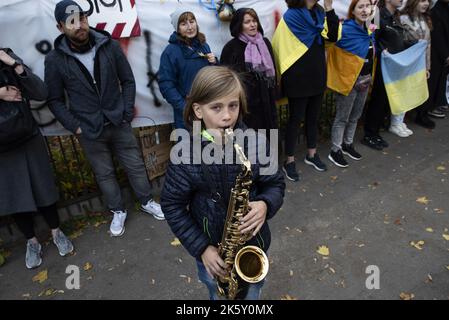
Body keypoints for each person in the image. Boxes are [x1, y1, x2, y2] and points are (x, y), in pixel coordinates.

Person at [161, 66, 285, 300]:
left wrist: (266, 204)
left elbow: (276, 184)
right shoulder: (185, 154)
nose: (227, 116)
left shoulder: (256, 143)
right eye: (216, 107)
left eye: (233, 105)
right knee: (218, 295)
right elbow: (172, 205)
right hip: (213, 255)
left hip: (253, 247)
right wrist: (202, 248)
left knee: (253, 292)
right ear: (198, 110)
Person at [45, 0, 164, 238]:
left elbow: (128, 80)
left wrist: (126, 111)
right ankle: (117, 210)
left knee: (135, 165)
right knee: (105, 173)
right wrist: (75, 126)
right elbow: (55, 100)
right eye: (71, 22)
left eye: (81, 18)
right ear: (60, 27)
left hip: (118, 121)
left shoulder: (108, 45)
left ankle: (146, 200)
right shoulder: (55, 60)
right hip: (89, 129)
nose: (78, 25)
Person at [0, 48, 74, 269]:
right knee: (14, 196)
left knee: (43, 188)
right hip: (2, 148)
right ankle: (31, 242)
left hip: (28, 135)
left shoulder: (7, 57)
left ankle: (56, 232)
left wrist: (14, 64)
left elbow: (40, 92)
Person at [272, 0, 340, 182]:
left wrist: (329, 8)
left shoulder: (320, 13)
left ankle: (312, 154)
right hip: (297, 76)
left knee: (313, 117)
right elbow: (279, 45)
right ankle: (289, 161)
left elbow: (332, 36)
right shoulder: (291, 16)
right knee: (296, 119)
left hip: (317, 73)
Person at [362, 0, 416, 150]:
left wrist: (414, 44)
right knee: (378, 100)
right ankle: (370, 134)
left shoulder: (396, 17)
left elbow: (397, 41)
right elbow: (370, 38)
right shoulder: (376, 15)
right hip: (381, 67)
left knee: (385, 100)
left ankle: (376, 131)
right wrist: (381, 53)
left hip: (393, 68)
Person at [327, 0, 375, 168]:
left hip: (365, 79)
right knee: (342, 117)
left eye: (367, 6)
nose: (364, 10)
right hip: (348, 81)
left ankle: (347, 144)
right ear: (352, 11)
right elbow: (331, 47)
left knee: (355, 116)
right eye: (360, 7)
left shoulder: (369, 30)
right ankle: (335, 150)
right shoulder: (344, 29)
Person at [220, 8, 278, 131]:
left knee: (270, 139)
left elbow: (273, 73)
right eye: (247, 22)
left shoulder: (264, 43)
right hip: (245, 105)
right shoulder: (231, 48)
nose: (252, 24)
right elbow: (225, 80)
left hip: (266, 102)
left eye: (254, 20)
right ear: (239, 25)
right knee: (251, 142)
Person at [159, 8, 217, 129]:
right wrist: (185, 108)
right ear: (177, 28)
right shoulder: (170, 52)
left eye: (192, 21)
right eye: (184, 23)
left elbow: (214, 77)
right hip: (187, 115)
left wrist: (215, 64)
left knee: (212, 145)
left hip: (209, 109)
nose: (190, 27)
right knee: (191, 147)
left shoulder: (204, 46)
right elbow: (166, 84)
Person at [389, 0, 432, 135]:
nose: (426, 4)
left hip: (419, 62)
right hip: (406, 60)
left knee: (409, 91)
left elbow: (428, 45)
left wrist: (427, 66)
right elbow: (401, 40)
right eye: (422, 1)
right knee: (401, 91)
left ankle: (400, 121)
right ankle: (394, 122)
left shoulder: (425, 19)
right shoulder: (403, 19)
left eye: (427, 1)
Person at [423, 0, 449, 121]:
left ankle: (437, 103)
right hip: (434, 52)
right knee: (433, 79)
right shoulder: (375, 12)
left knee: (441, 78)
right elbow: (436, 36)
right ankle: (428, 108)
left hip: (436, 51)